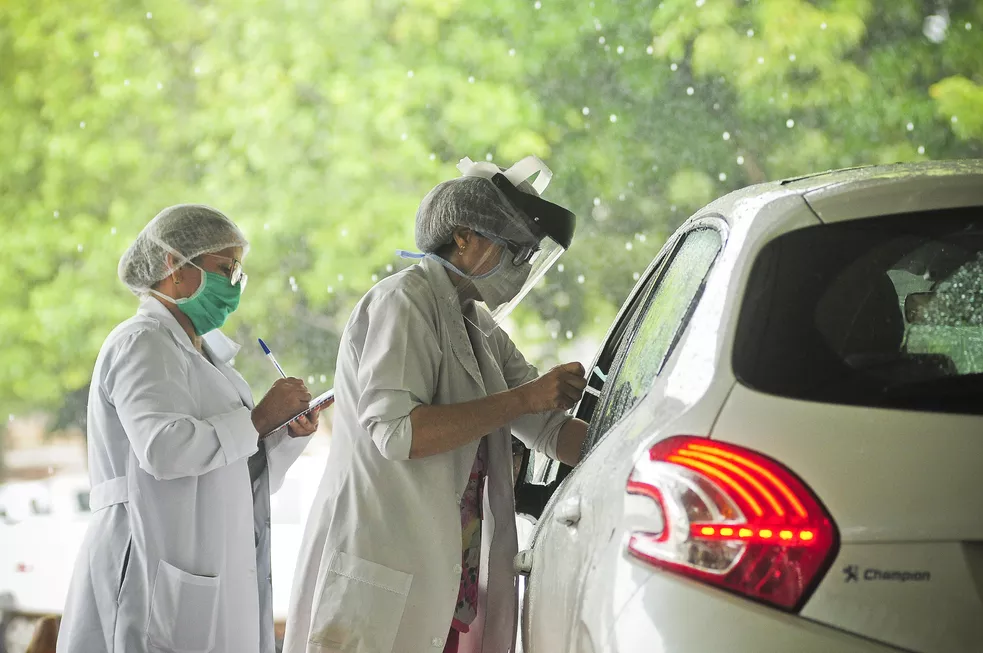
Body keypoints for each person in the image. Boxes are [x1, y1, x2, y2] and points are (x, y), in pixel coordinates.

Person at [284, 156, 589, 653]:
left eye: (529, 255)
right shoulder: (401, 304)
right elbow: (399, 433)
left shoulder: (480, 328)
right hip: (383, 565)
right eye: (513, 249)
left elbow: (549, 430)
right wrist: (523, 398)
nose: (521, 267)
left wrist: (634, 452)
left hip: (442, 576)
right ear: (462, 237)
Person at [58, 205, 325, 653]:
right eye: (225, 269)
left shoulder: (207, 357)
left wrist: (281, 435)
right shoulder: (140, 341)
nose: (233, 286)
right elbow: (163, 449)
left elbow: (232, 470)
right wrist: (259, 418)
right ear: (174, 265)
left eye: (238, 273)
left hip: (208, 568)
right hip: (155, 564)